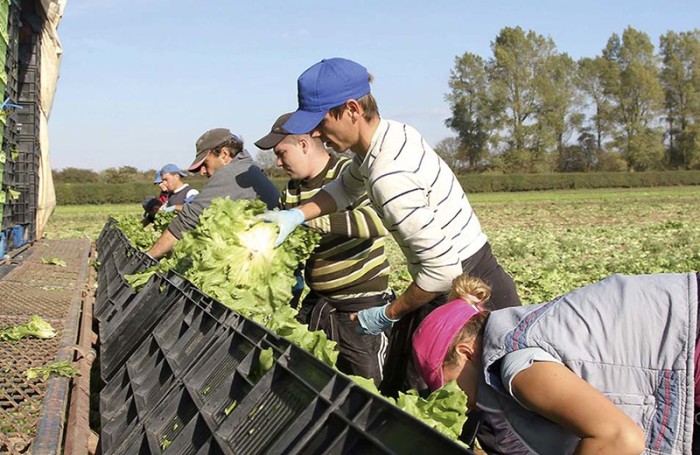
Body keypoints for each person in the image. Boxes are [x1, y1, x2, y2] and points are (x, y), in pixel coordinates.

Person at [261, 58, 521, 397]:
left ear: (352, 109)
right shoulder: (390, 135)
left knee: (458, 406)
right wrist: (296, 215)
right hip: (467, 277)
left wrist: (386, 314)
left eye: (321, 121)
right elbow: (346, 187)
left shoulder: (388, 176)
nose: (315, 133)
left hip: (465, 290)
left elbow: (442, 271)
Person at [413, 272, 700, 454]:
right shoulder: (517, 329)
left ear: (466, 353)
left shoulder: (516, 362)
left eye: (448, 384)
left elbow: (618, 438)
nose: (463, 404)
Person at [255, 112, 393, 385]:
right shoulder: (291, 191)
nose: (278, 162)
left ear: (303, 145)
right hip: (318, 302)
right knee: (308, 381)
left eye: (282, 153)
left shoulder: (346, 172)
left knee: (366, 389)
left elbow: (378, 221)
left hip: (360, 306)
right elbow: (289, 251)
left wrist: (307, 218)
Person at [147, 128, 279, 259]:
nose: (203, 172)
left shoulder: (233, 173)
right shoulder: (247, 167)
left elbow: (188, 220)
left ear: (224, 154)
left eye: (205, 163)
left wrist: (148, 257)